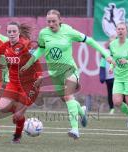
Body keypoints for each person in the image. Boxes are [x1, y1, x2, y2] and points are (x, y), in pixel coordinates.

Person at [20, 9, 114, 139]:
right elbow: (40, 50)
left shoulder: (68, 31)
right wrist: (29, 63)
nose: (51, 24)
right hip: (55, 73)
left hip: (70, 70)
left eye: (54, 21)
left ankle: (75, 129)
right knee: (66, 98)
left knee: (68, 95)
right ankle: (81, 111)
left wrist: (106, 54)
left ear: (60, 20)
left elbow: (90, 41)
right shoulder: (44, 34)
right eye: (49, 21)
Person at [0, 21, 43, 143]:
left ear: (18, 33)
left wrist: (39, 75)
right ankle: (17, 111)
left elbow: (35, 61)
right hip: (13, 83)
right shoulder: (6, 45)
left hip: (26, 85)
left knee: (17, 117)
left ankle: (17, 136)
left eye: (14, 31)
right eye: (9, 32)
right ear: (6, 33)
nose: (11, 34)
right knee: (2, 107)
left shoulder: (25, 45)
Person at [99, 35, 116, 114]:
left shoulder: (119, 51)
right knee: (110, 93)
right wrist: (102, 74)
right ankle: (111, 108)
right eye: (110, 41)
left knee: (120, 93)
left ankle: (127, 107)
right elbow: (102, 63)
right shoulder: (105, 52)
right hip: (108, 77)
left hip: (118, 76)